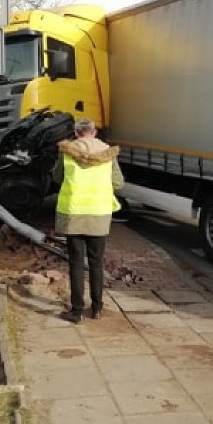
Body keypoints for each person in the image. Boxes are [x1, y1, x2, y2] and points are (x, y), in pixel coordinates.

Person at [53, 118, 123, 324]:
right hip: (99, 215)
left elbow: (57, 177)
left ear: (76, 133)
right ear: (93, 132)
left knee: (75, 263)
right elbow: (119, 183)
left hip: (74, 213)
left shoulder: (67, 151)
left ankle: (76, 312)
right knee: (96, 263)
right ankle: (97, 308)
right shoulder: (108, 153)